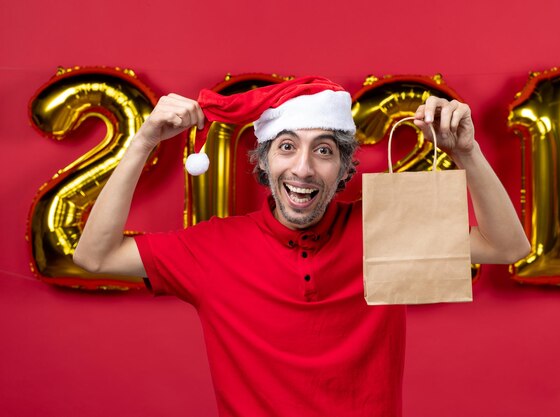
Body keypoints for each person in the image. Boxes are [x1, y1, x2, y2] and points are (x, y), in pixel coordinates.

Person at [73, 76, 530, 417]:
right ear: (264, 160)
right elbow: (94, 256)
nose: (304, 168)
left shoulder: (380, 228)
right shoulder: (214, 247)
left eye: (324, 150)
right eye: (287, 147)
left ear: (345, 167)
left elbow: (506, 246)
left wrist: (467, 152)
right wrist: (144, 142)